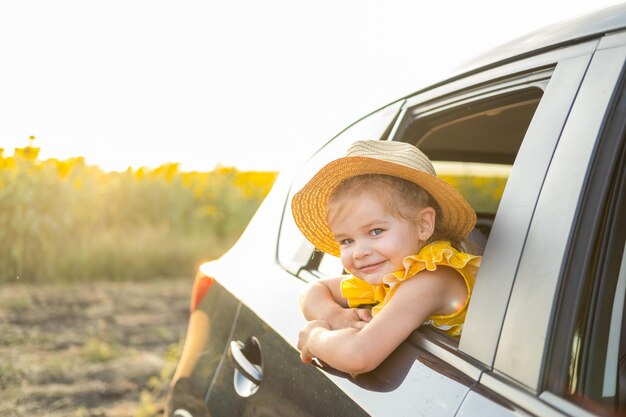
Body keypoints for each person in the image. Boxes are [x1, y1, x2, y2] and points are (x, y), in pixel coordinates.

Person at [291, 140, 481, 375]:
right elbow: (313, 289)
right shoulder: (392, 273)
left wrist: (314, 337)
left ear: (423, 225)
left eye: (376, 231)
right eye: (347, 241)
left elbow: (358, 356)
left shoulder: (432, 278)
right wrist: (335, 316)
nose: (359, 252)